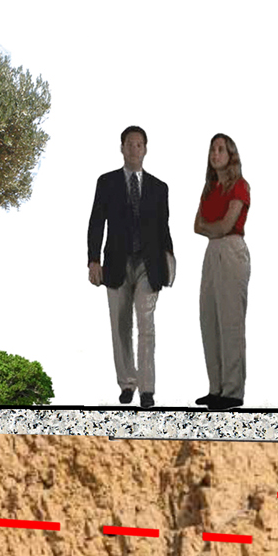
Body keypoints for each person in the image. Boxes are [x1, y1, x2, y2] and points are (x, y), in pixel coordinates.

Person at [87, 124, 173, 407]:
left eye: (139, 144)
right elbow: (96, 223)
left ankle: (147, 390)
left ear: (145, 150)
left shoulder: (160, 188)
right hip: (116, 263)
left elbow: (164, 229)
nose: (135, 149)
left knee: (146, 323)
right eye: (130, 144)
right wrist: (93, 260)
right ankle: (127, 384)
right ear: (121, 148)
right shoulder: (107, 182)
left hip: (149, 264)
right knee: (120, 325)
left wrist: (169, 260)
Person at [194, 132, 251, 410]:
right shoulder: (209, 189)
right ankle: (215, 388)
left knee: (230, 321)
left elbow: (226, 225)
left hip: (231, 250)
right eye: (212, 150)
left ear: (230, 155)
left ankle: (232, 391)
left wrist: (210, 228)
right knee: (209, 319)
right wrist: (210, 229)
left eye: (220, 149)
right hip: (211, 253)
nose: (215, 154)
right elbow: (196, 225)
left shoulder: (239, 186)